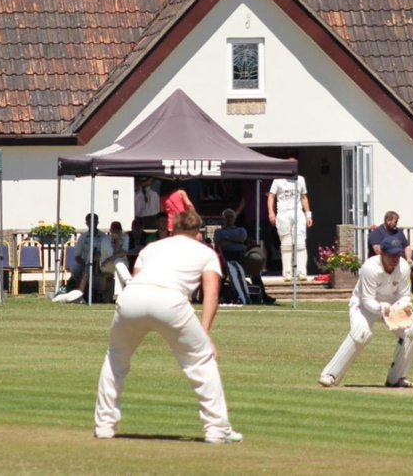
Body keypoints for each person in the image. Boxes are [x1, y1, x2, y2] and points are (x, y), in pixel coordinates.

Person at [93, 210, 242, 444]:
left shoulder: (151, 248)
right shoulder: (206, 252)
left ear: (172, 228)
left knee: (115, 358)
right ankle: (217, 429)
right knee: (201, 361)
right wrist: (205, 334)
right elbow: (211, 293)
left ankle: (104, 426)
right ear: (199, 233)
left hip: (133, 296)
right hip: (170, 299)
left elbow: (137, 278)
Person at [318, 236, 413, 388]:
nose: (395, 258)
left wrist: (396, 308)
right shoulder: (369, 267)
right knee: (361, 333)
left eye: (398, 254)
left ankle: (396, 378)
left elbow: (405, 295)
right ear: (382, 253)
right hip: (363, 305)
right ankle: (330, 375)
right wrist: (382, 308)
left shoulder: (404, 267)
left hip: (392, 307)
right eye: (391, 255)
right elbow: (367, 299)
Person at [369, 211, 413, 299]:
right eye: (395, 222)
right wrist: (392, 258)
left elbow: (407, 247)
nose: (396, 224)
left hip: (401, 257)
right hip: (385, 260)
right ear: (388, 220)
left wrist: (408, 258)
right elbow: (377, 250)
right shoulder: (376, 233)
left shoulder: (399, 232)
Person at [268, 171, 311, 280]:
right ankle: (287, 273)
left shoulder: (300, 179)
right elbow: (271, 196)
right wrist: (271, 213)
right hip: (283, 213)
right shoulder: (278, 180)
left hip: (297, 213)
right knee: (286, 244)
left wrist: (308, 215)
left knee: (300, 243)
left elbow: (303, 197)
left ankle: (301, 272)